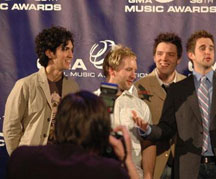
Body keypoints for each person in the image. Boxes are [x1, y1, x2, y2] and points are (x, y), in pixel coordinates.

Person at [133, 30, 216, 179]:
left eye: (211, 48)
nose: (208, 52)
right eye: (202, 48)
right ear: (191, 55)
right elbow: (167, 128)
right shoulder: (177, 89)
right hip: (189, 169)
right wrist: (148, 129)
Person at [7, 91, 139, 179]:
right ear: (100, 130)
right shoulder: (108, 171)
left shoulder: (22, 158)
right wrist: (126, 159)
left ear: (58, 122)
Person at [3, 26, 79, 155]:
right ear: (49, 53)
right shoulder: (24, 85)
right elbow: (11, 128)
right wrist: (19, 160)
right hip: (31, 161)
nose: (71, 55)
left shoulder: (73, 87)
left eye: (72, 50)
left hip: (62, 161)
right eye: (65, 49)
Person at [96, 44, 156, 179]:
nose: (133, 75)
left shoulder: (141, 106)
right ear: (112, 70)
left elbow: (148, 144)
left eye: (135, 70)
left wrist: (148, 175)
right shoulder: (92, 102)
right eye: (129, 70)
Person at [135, 32, 186, 179]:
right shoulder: (139, 87)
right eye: (160, 53)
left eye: (170, 54)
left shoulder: (189, 86)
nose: (164, 58)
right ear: (154, 56)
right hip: (153, 165)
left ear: (178, 59)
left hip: (183, 165)